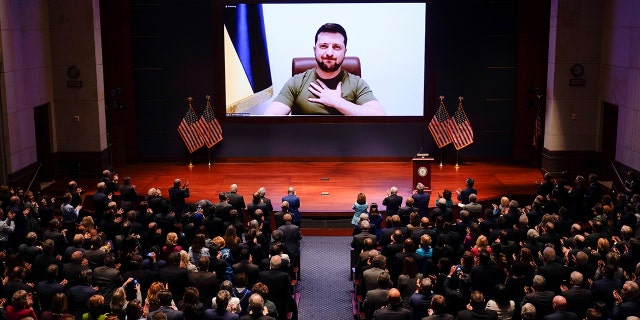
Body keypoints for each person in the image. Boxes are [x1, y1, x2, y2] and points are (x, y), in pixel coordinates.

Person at [263, 23, 384, 116]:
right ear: (315, 50)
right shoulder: (296, 82)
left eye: (336, 47)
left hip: (345, 147)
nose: (329, 53)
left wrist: (337, 102)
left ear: (344, 52)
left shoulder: (357, 84)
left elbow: (379, 116)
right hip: (304, 146)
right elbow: (271, 116)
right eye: (323, 46)